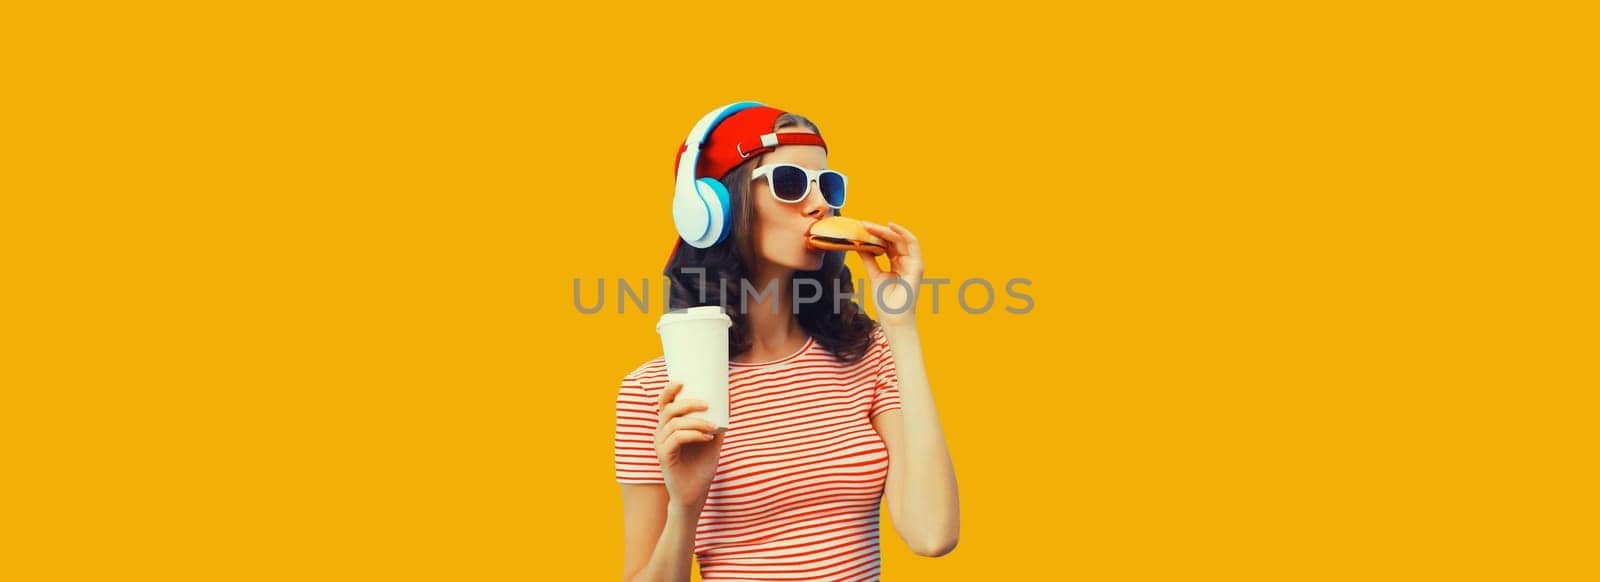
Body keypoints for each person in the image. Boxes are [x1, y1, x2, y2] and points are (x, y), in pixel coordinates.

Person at [615, 103, 959, 581]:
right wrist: (686, 506)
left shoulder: (868, 354)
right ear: (716, 206)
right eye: (791, 183)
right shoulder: (659, 391)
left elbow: (932, 533)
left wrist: (900, 325)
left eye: (827, 186)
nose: (821, 205)